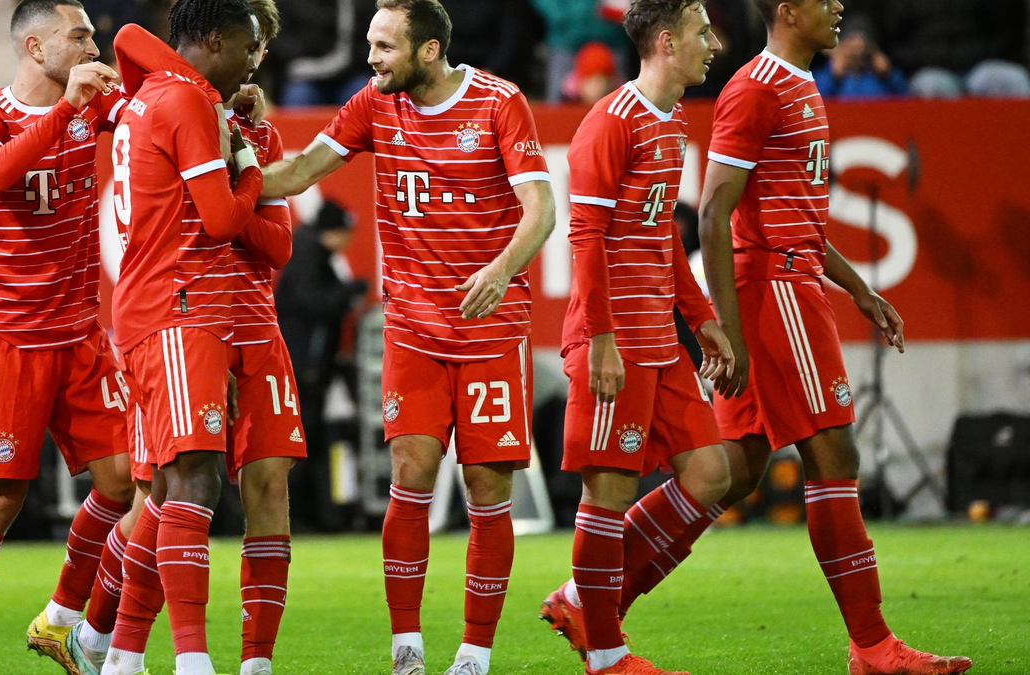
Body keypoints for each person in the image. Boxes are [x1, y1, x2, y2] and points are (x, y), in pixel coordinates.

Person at [260, 1, 556, 672]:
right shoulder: (372, 104)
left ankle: (475, 652)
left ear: (427, 51)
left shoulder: (499, 103)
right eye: (369, 42)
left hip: (489, 328)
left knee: (486, 488)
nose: (371, 57)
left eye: (385, 46)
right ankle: (407, 648)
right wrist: (223, 174)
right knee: (410, 474)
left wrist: (502, 268)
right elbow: (303, 168)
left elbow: (542, 207)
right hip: (414, 327)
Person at [694, 1, 972, 673]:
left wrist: (859, 288)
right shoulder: (758, 86)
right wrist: (727, 329)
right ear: (788, 11)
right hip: (776, 290)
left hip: (795, 278)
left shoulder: (801, 82)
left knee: (736, 469)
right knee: (833, 454)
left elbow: (800, 221)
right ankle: (874, 647)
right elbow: (711, 211)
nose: (839, 6)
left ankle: (592, 592)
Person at [0, 2, 139, 673]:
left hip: (81, 333)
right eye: (77, 35)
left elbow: (154, 112)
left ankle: (59, 617)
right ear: (34, 45)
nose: (91, 44)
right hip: (8, 336)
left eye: (90, 33)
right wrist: (69, 109)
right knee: (0, 499)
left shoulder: (97, 102)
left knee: (122, 483)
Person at [536, 2, 732, 674]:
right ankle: (607, 654)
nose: (714, 44)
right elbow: (586, 237)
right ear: (668, 42)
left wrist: (701, 314)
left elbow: (660, 236)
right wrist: (600, 338)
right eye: (704, 33)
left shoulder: (675, 118)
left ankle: (584, 600)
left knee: (711, 476)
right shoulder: (609, 124)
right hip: (613, 336)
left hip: (661, 335)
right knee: (608, 496)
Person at [101, 0, 264, 673]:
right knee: (195, 482)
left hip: (148, 307)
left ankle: (121, 655)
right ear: (217, 41)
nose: (256, 61)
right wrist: (250, 161)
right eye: (250, 47)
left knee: (166, 493)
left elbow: (127, 40)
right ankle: (192, 661)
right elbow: (224, 219)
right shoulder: (188, 100)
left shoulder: (145, 96)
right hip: (177, 307)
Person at [275, 201, 369, 532]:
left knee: (307, 441)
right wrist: (351, 291)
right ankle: (300, 516)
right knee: (299, 440)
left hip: (306, 367)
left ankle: (308, 514)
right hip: (302, 368)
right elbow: (313, 305)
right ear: (334, 232)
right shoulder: (308, 255)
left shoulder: (310, 253)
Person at [813, 18, 906, 99]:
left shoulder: (879, 76)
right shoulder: (826, 75)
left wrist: (888, 75)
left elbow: (904, 98)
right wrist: (833, 75)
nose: (856, 53)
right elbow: (812, 101)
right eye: (851, 47)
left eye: (861, 48)